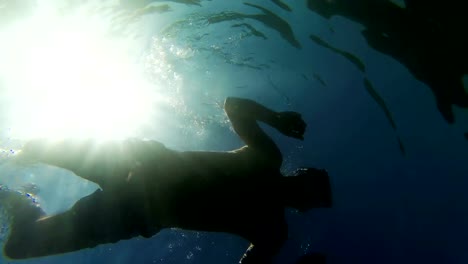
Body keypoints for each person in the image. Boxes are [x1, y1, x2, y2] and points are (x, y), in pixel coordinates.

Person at [1, 97, 332, 263]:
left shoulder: (272, 232)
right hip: (137, 163)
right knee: (33, 149)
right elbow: (233, 105)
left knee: (18, 248)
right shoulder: (267, 160)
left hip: (132, 215)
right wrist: (275, 117)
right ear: (302, 172)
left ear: (307, 208)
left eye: (318, 197)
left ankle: (19, 203)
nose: (312, 190)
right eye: (316, 180)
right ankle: (10, 156)